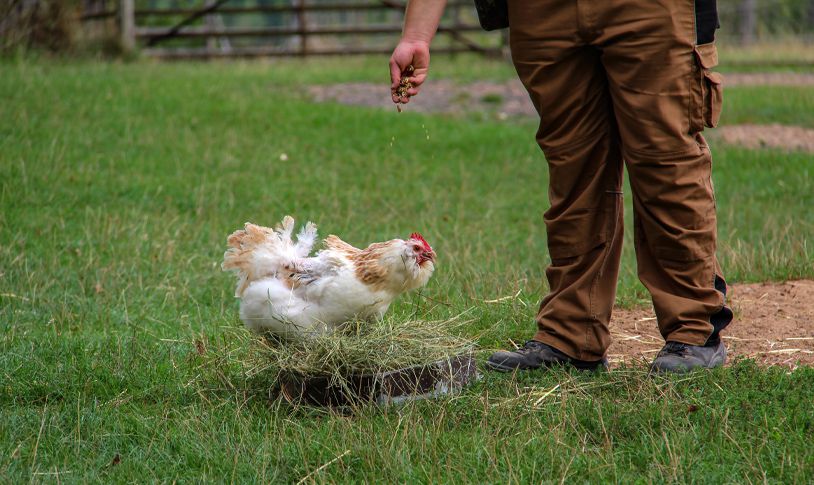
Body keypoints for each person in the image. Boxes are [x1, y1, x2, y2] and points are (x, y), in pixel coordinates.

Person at [389, 0, 733, 373]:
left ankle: (693, 329)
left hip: (646, 7)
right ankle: (571, 334)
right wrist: (416, 36)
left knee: (663, 159)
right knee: (573, 168)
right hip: (542, 11)